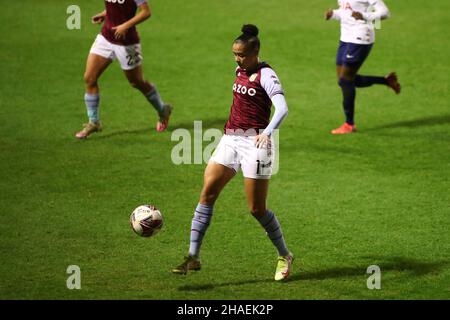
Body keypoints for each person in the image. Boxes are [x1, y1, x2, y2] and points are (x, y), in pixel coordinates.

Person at [172, 25, 293, 281]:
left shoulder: (266, 75)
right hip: (230, 139)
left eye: (241, 54)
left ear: (255, 52)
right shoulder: (240, 70)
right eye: (234, 54)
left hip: (256, 145)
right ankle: (193, 256)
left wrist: (267, 133)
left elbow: (282, 109)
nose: (237, 59)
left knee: (256, 209)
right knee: (207, 192)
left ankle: (284, 254)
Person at [76, 0, 172, 139]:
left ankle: (163, 110)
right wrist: (105, 14)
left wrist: (125, 25)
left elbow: (146, 12)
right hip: (106, 37)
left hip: (127, 43)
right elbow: (115, 7)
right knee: (89, 78)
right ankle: (94, 122)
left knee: (136, 82)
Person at [325, 0, 401, 134]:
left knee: (345, 80)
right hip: (345, 37)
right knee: (344, 80)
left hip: (361, 37)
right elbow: (346, 11)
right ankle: (386, 80)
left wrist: (365, 16)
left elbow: (385, 13)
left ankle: (349, 124)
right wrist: (334, 14)